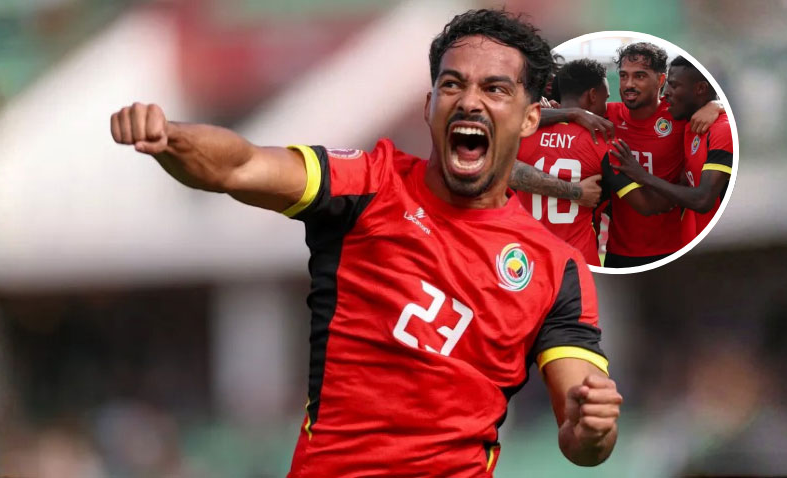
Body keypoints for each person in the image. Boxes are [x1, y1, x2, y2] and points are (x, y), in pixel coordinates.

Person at [110, 9, 621, 477]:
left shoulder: (557, 268)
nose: (469, 101)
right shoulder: (369, 183)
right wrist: (170, 137)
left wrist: (593, 427)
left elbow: (581, 440)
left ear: (530, 118)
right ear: (429, 105)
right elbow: (241, 164)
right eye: (452, 84)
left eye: (495, 89)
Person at [543, 42, 722, 268]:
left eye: (639, 76)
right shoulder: (606, 115)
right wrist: (572, 112)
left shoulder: (678, 115)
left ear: (660, 81)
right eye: (624, 75)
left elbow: (708, 101)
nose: (629, 84)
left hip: (672, 249)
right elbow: (527, 117)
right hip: (618, 251)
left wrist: (716, 105)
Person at [609, 56, 733, 245]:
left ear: (700, 88)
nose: (666, 93)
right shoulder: (689, 127)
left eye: (674, 86)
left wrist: (642, 176)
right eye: (623, 76)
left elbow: (703, 200)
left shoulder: (721, 130)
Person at [515, 59, 611, 266]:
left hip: (527, 259)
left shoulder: (522, 134)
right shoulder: (600, 142)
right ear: (593, 95)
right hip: (579, 261)